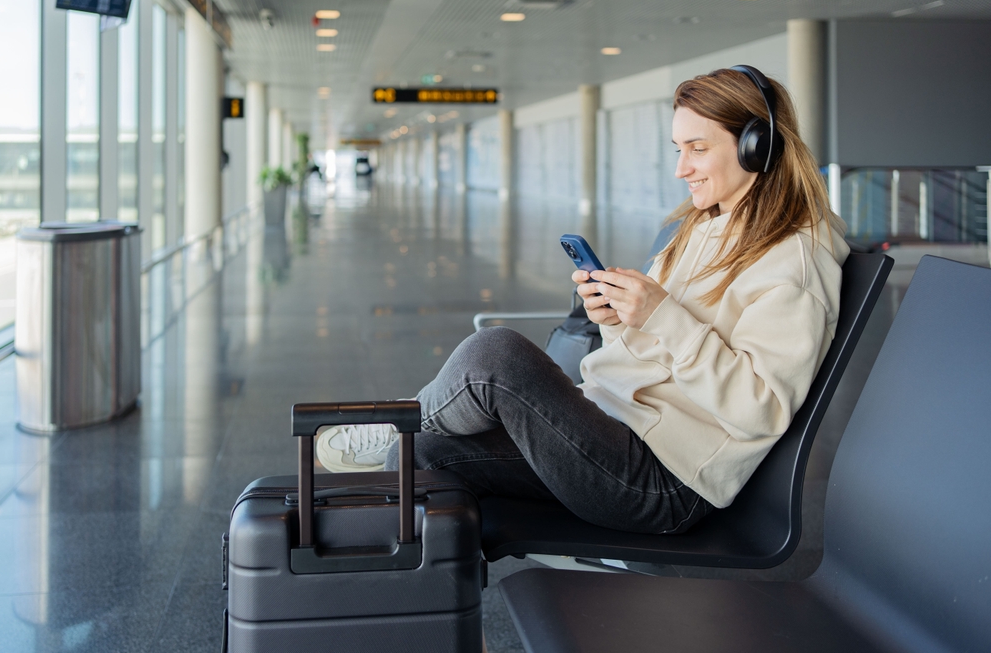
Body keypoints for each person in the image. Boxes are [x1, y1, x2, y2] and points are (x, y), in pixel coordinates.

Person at [315, 66, 849, 535]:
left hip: (663, 481)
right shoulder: (703, 226)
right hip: (612, 426)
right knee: (427, 458)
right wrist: (619, 320)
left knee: (497, 355)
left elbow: (762, 408)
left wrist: (664, 317)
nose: (681, 167)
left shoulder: (794, 260)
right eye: (677, 149)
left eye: (698, 148)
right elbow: (658, 348)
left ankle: (400, 417)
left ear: (760, 145)